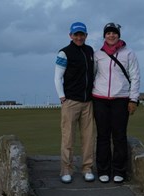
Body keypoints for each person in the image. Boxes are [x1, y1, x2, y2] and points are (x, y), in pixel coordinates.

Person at [93, 22, 141, 183]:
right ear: (104, 35)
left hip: (121, 99)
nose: (111, 35)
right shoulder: (97, 54)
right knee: (102, 136)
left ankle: (119, 170)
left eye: (114, 33)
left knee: (119, 135)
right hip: (99, 99)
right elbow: (93, 75)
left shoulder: (129, 53)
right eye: (108, 33)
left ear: (118, 35)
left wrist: (133, 99)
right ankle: (103, 170)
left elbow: (135, 77)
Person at [54, 22, 95, 183]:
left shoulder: (90, 51)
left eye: (82, 34)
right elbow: (58, 77)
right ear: (70, 35)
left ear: (86, 35)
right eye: (76, 34)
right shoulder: (64, 53)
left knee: (88, 138)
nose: (79, 37)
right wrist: (61, 96)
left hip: (88, 102)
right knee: (68, 138)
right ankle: (66, 169)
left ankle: (87, 168)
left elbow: (93, 73)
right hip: (70, 101)